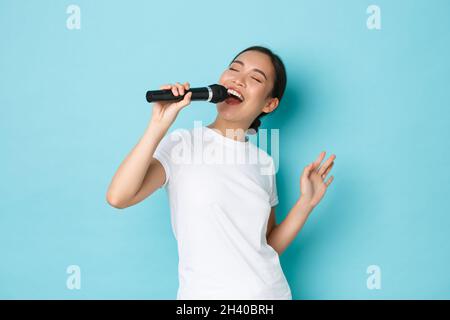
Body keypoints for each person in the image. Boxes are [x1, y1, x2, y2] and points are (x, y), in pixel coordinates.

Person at [106, 46, 336, 299]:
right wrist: (158, 124)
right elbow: (119, 197)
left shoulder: (264, 162)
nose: (239, 79)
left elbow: (266, 245)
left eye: (255, 77)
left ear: (269, 104)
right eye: (235, 68)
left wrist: (306, 203)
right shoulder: (182, 144)